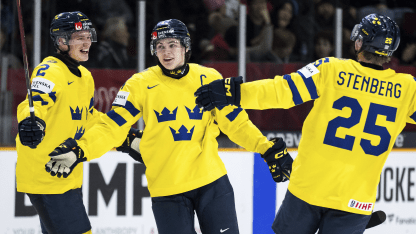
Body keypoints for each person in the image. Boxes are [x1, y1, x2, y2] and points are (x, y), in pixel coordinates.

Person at [45, 19, 292, 234]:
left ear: (185, 47)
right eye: (160, 46)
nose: (166, 51)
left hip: (212, 184)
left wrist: (265, 147)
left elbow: (236, 124)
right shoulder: (139, 85)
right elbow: (112, 126)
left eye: (173, 44)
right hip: (167, 191)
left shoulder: (208, 78)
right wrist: (80, 150)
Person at [195, 13, 404, 234]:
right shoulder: (408, 89)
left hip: (308, 189)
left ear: (360, 42)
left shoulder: (331, 69)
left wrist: (235, 92)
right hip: (356, 201)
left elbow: (281, 91)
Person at [16, 11, 101, 233]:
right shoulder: (50, 71)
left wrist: (123, 133)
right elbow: (34, 103)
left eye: (88, 36)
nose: (86, 42)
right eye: (79, 37)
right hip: (46, 174)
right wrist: (31, 122)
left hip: (68, 174)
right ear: (61, 41)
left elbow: (87, 116)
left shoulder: (84, 76)